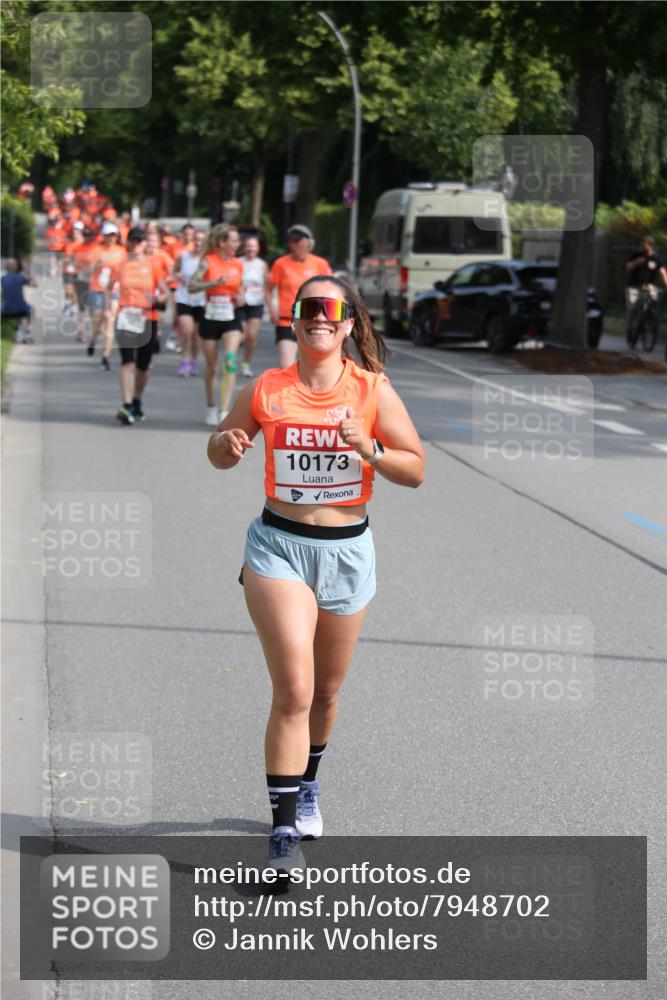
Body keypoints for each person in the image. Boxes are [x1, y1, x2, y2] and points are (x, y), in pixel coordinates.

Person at [206, 274, 425, 875]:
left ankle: (308, 785)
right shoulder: (268, 387)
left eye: (332, 310)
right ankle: (282, 838)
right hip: (280, 548)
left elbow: (415, 469)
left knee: (326, 693)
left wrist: (370, 449)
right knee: (295, 690)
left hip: (347, 552)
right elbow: (221, 447)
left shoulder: (373, 391)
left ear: (349, 323)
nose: (319, 319)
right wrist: (227, 445)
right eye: (309, 308)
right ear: (296, 320)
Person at [109, 227, 168, 424]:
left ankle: (136, 399)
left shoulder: (153, 265)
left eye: (139, 241)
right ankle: (126, 405)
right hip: (126, 316)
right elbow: (110, 289)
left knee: (143, 368)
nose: (136, 245)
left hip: (147, 317)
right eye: (132, 241)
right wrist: (111, 307)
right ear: (128, 243)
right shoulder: (120, 265)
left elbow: (164, 291)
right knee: (127, 362)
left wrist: (159, 298)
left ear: (144, 244)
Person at [188, 223, 244, 426]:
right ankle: (211, 406)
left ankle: (224, 410)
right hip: (210, 316)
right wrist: (213, 284)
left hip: (231, 317)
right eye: (234, 240)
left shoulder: (238, 264)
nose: (238, 244)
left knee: (230, 361)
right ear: (222, 242)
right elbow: (191, 286)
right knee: (212, 367)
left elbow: (240, 290)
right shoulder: (208, 262)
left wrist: (241, 299)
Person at [266, 225, 331, 370]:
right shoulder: (280, 264)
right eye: (290, 241)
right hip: (287, 320)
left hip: (313, 320)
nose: (293, 245)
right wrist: (271, 309)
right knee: (286, 367)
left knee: (311, 368)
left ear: (308, 243)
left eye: (297, 241)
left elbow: (330, 290)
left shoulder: (320, 264)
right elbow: (268, 290)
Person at [86, 221, 126, 361]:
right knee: (98, 321)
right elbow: (87, 272)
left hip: (114, 290)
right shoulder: (96, 250)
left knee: (110, 319)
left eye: (114, 235)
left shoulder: (121, 252)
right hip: (97, 289)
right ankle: (93, 340)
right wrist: (96, 265)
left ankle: (105, 357)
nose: (111, 238)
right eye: (108, 235)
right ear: (103, 236)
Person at [173, 227, 205, 376]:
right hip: (184, 297)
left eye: (201, 240)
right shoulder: (183, 256)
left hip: (201, 300)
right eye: (196, 240)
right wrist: (178, 276)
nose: (198, 243)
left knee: (197, 335)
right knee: (187, 331)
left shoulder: (208, 259)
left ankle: (193, 359)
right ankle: (184, 360)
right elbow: (174, 271)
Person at [625, 235, 667, 343]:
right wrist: (636, 262)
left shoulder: (656, 258)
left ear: (651, 246)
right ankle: (629, 330)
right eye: (641, 244)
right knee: (632, 309)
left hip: (648, 286)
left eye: (645, 245)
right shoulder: (636, 255)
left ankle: (648, 317)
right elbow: (628, 268)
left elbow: (662, 272)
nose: (642, 247)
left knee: (654, 299)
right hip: (634, 286)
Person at [238, 235, 268, 378]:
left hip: (257, 303)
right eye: (248, 246)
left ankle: (246, 363)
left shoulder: (262, 265)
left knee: (252, 335)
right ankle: (237, 349)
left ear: (258, 248)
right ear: (244, 248)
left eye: (253, 246)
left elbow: (267, 285)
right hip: (241, 303)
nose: (250, 248)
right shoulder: (238, 263)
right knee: (242, 335)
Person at [1, 258, 36, 342]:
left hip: (6, 310)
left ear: (6, 268)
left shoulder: (3, 279)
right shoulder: (21, 277)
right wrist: (27, 271)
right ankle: (28, 332)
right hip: (22, 309)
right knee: (32, 309)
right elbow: (34, 284)